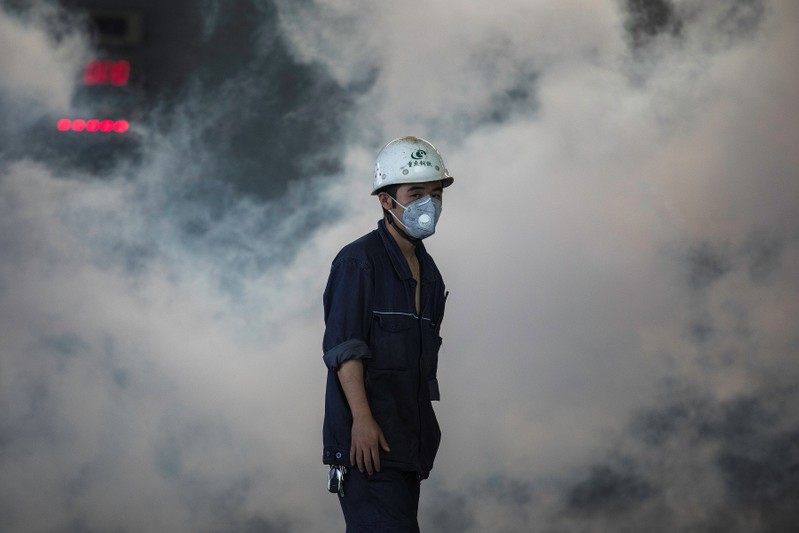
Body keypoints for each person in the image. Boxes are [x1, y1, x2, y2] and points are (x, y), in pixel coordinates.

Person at [321, 136, 454, 532]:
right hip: (368, 447)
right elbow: (345, 349)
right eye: (416, 193)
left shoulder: (430, 277)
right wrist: (361, 420)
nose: (428, 203)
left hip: (406, 448)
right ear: (385, 199)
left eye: (435, 193)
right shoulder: (358, 262)